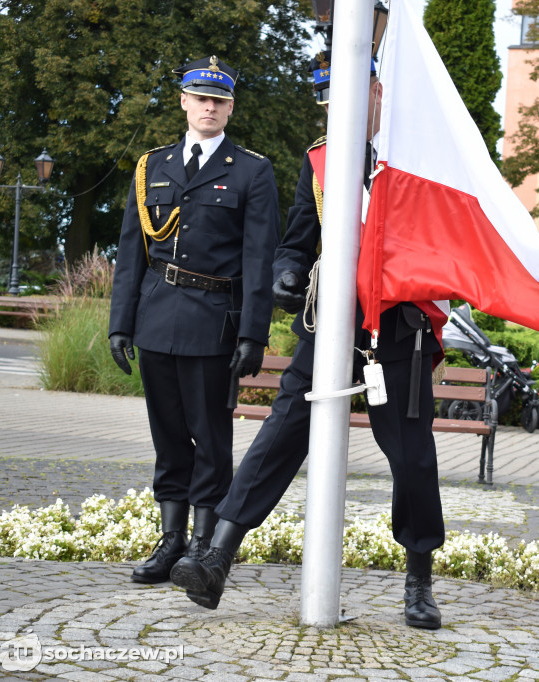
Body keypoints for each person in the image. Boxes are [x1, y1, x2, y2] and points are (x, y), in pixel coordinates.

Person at [169, 64, 447, 630]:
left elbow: (450, 240)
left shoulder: (420, 159)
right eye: (327, 102)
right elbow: (299, 238)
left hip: (398, 330)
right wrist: (288, 273)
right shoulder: (320, 160)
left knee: (412, 457)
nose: (334, 111)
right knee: (279, 434)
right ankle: (219, 555)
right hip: (330, 326)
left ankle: (419, 581)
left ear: (376, 93)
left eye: (345, 97)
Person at [108, 56, 280, 585]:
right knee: (167, 437)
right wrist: (121, 323)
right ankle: (170, 541)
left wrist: (253, 333)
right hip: (158, 318)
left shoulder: (251, 170)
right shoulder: (152, 167)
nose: (209, 106)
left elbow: (260, 259)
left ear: (230, 108)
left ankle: (203, 549)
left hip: (213, 323)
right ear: (184, 101)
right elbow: (132, 252)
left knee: (210, 438)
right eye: (201, 97)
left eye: (220, 100)